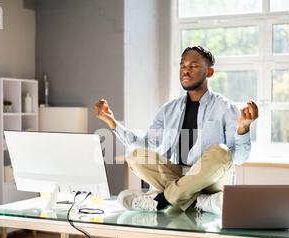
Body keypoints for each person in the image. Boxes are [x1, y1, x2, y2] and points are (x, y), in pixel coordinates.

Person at [95, 46, 258, 214]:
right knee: (135, 155)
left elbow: (238, 158)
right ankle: (198, 201)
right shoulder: (169, 109)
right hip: (178, 175)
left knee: (222, 152)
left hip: (211, 179)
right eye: (183, 66)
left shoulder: (225, 107)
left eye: (193, 66)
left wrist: (243, 128)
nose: (186, 71)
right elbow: (146, 144)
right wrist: (113, 123)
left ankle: (162, 200)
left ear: (209, 72)